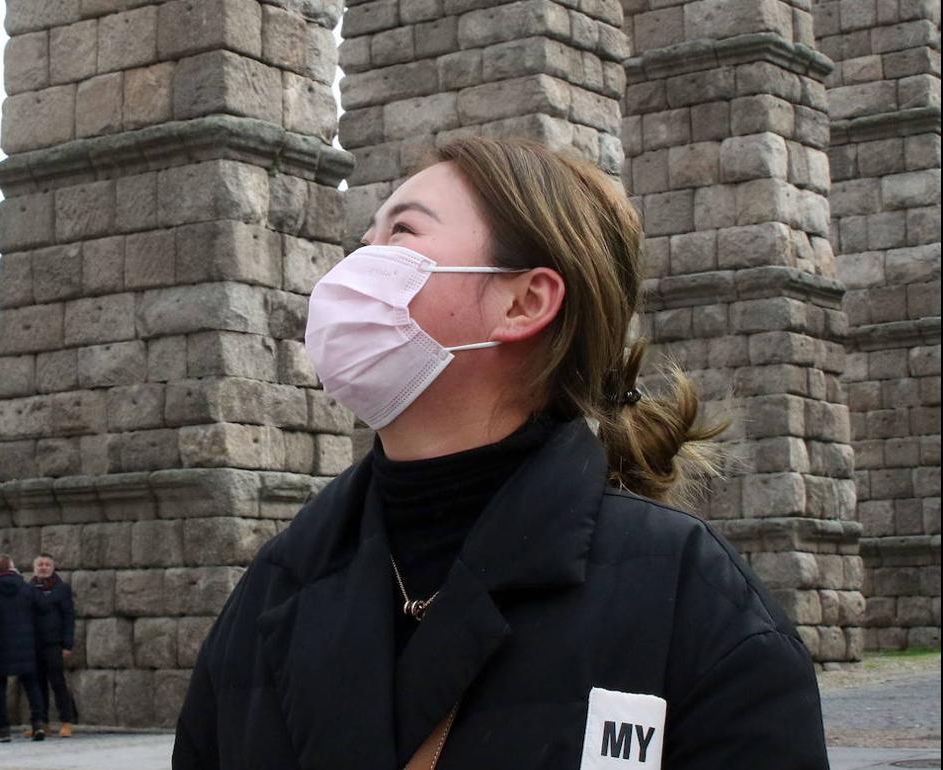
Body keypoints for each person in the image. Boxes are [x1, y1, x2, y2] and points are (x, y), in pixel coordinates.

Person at [172, 137, 829, 769]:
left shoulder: (692, 595)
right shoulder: (273, 588)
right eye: (363, 240)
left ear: (524, 301)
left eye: (400, 233)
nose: (352, 267)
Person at [0, 554, 47, 742]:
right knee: (31, 684)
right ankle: (38, 724)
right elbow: (42, 610)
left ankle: (3, 730)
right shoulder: (27, 589)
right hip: (25, 644)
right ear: (12, 568)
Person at [23, 552, 76, 739]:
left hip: (54, 644)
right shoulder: (28, 589)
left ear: (52, 568)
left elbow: (69, 617)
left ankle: (66, 721)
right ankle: (40, 723)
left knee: (58, 684)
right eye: (40, 564)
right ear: (34, 568)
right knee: (38, 686)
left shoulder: (62, 589)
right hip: (34, 644)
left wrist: (67, 644)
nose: (43, 567)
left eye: (47, 564)